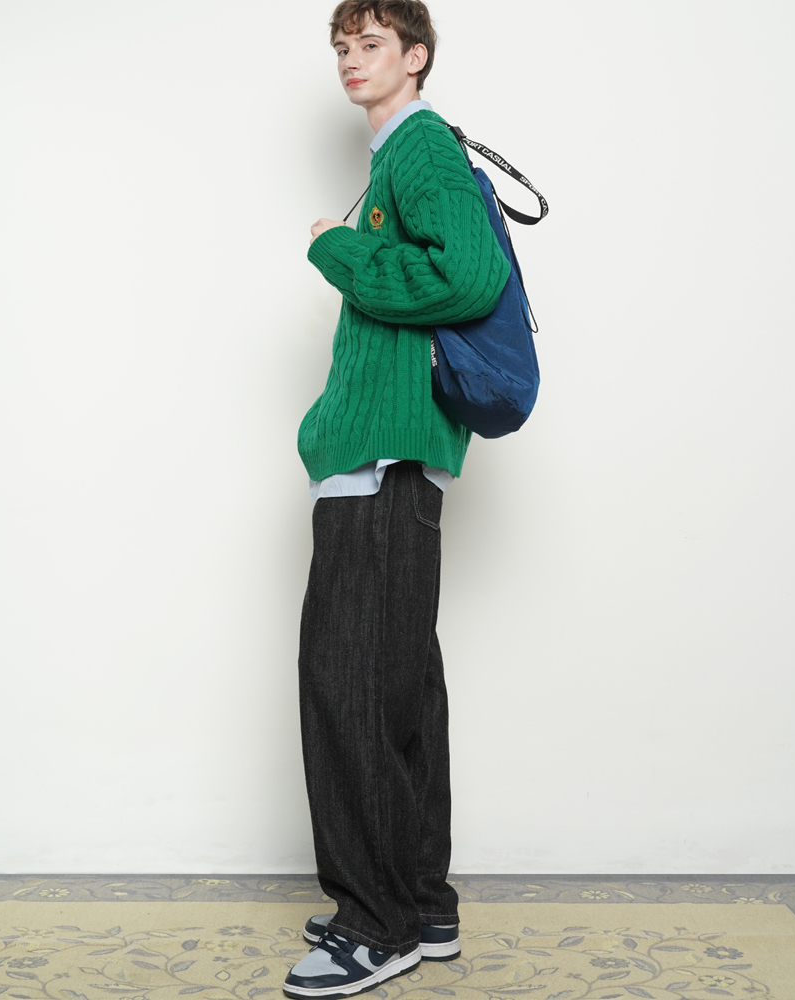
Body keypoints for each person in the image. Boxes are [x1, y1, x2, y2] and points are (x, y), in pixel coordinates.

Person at [284, 2, 510, 997]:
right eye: (342, 46)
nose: (351, 59)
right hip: (395, 458)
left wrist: (334, 247)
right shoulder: (400, 155)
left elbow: (469, 276)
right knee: (400, 686)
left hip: (383, 458)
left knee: (351, 688)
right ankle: (418, 902)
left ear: (415, 56)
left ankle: (373, 926)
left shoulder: (418, 146)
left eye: (370, 43)